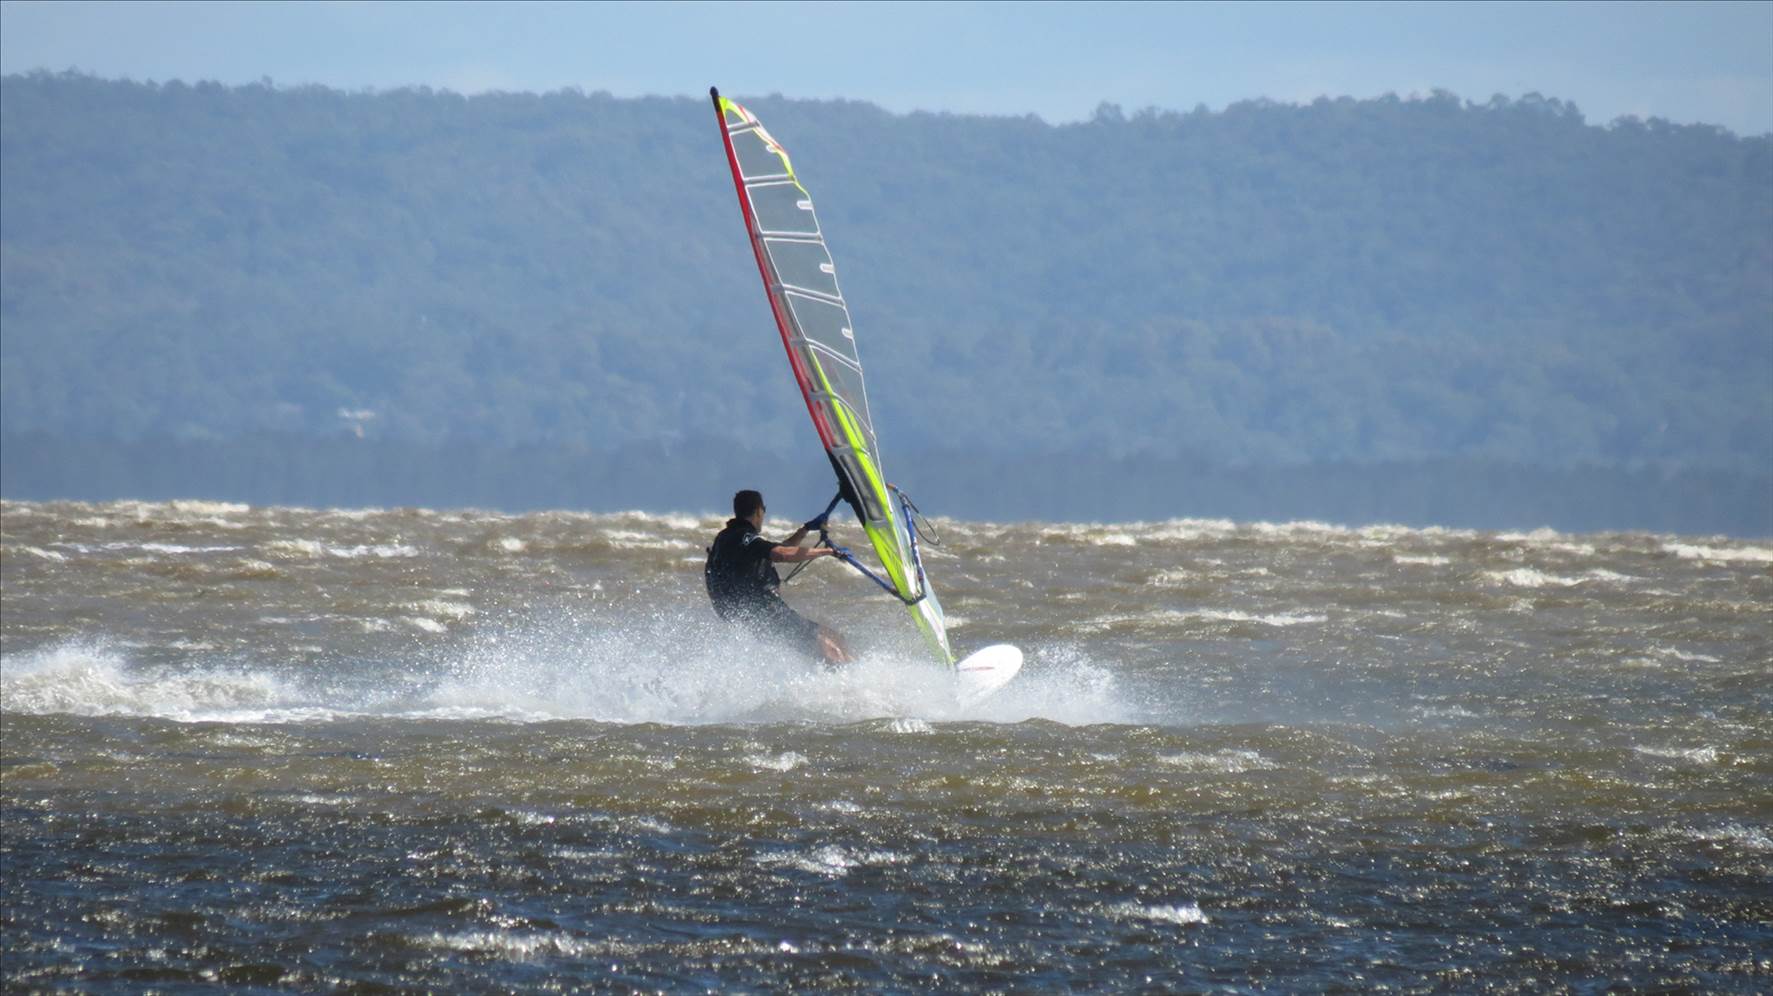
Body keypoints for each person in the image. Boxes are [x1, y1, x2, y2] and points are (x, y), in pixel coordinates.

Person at [705, 489, 853, 665]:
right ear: (759, 511)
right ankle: (850, 678)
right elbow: (782, 554)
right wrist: (828, 551)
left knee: (834, 639)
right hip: (767, 614)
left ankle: (843, 675)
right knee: (830, 649)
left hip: (746, 617)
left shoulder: (725, 538)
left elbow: (780, 548)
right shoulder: (746, 538)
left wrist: (805, 529)